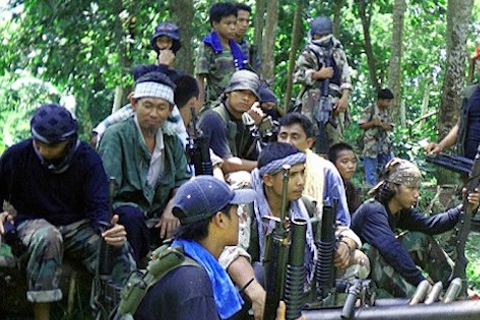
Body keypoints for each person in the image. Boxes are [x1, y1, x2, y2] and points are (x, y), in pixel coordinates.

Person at [0, 104, 134, 320]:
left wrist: (109, 231)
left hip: (76, 224)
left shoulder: (88, 159)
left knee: (114, 248)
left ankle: (117, 313)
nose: (43, 150)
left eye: (51, 146)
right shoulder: (17, 156)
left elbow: (99, 206)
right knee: (48, 238)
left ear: (68, 141)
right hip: (32, 222)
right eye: (38, 143)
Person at [219, 142, 367, 319]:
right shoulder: (248, 206)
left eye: (303, 172)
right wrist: (257, 294)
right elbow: (228, 252)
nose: (301, 181)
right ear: (268, 179)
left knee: (359, 259)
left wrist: (345, 245)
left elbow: (341, 231)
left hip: (298, 284)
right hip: (259, 285)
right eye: (292, 175)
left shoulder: (303, 206)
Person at [133, 175, 292, 320]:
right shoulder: (194, 282)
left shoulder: (182, 253)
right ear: (220, 220)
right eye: (236, 211)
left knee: (257, 272)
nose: (240, 218)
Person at [425, 39, 480, 289]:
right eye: (479, 59)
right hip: (468, 164)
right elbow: (460, 125)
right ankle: (451, 267)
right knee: (461, 213)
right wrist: (441, 146)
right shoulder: (470, 92)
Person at [98, 72, 192, 265]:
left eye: (161, 108)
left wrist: (173, 205)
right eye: (147, 106)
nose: (154, 114)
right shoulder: (116, 136)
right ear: (134, 104)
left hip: (158, 218)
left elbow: (183, 180)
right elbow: (106, 191)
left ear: (170, 110)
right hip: (125, 219)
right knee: (131, 217)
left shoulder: (171, 141)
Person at [350, 158, 480, 298]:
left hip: (384, 266)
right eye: (411, 188)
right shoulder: (373, 210)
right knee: (380, 252)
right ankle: (425, 298)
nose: (416, 194)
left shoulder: (399, 211)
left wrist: (465, 208)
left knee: (420, 238)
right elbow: (392, 251)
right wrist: (420, 281)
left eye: (418, 188)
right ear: (394, 187)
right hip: (363, 276)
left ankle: (456, 288)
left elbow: (431, 225)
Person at [92, 22, 187, 147]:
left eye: (168, 41)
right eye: (160, 41)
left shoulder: (181, 79)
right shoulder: (141, 71)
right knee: (99, 134)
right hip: (141, 128)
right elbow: (149, 91)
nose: (164, 46)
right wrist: (163, 66)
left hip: (170, 130)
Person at [277, 113, 352, 226]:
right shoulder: (269, 171)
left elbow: (342, 221)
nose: (287, 142)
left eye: (294, 137)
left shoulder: (326, 171)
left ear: (309, 143)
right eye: (283, 136)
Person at [198, 69, 267, 186]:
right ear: (228, 93)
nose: (246, 98)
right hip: (208, 179)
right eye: (240, 91)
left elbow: (255, 155)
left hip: (227, 176)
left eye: (251, 94)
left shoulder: (247, 121)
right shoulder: (214, 118)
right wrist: (262, 165)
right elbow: (225, 164)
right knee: (245, 179)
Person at [293, 16, 352, 151]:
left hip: (335, 101)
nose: (322, 38)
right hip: (311, 102)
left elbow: (345, 77)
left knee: (336, 142)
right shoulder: (308, 52)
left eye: (324, 35)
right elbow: (297, 75)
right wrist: (317, 74)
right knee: (310, 137)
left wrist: (344, 98)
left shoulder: (338, 52)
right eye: (319, 35)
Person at [196, 2, 250, 106]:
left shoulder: (237, 48)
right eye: (228, 23)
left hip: (236, 104)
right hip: (216, 104)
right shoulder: (208, 46)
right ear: (215, 24)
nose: (233, 27)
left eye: (234, 23)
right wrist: (199, 105)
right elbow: (200, 78)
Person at [359, 88, 395, 186]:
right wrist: (373, 123)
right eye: (387, 101)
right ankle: (370, 190)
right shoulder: (370, 110)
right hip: (371, 145)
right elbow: (361, 125)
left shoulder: (387, 111)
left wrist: (383, 126)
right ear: (380, 100)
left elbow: (391, 126)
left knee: (387, 168)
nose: (388, 104)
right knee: (371, 170)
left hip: (384, 145)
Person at [328, 142, 362, 214]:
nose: (351, 166)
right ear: (332, 164)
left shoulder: (349, 187)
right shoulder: (327, 187)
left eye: (353, 161)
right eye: (345, 162)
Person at [234, 3, 262, 73]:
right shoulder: (219, 46)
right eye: (240, 20)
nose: (244, 25)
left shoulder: (249, 48)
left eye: (247, 21)